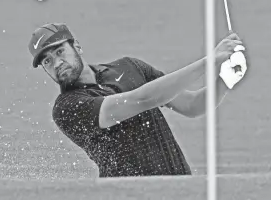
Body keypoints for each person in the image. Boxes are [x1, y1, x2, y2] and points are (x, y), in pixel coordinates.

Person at [28, 23, 248, 177]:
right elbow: (142, 99)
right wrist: (209, 61)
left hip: (180, 186)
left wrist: (225, 80)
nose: (56, 63)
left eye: (59, 51)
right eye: (47, 61)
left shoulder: (129, 67)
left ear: (77, 46)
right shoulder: (67, 108)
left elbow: (192, 105)